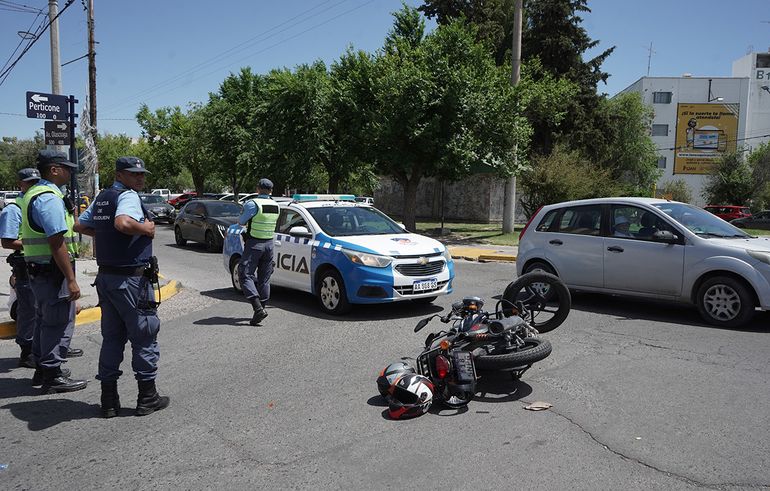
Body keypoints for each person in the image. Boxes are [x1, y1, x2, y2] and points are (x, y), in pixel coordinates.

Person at [75, 156, 169, 418]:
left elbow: (80, 225)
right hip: (131, 280)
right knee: (144, 335)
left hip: (107, 279)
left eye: (142, 174)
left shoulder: (103, 197)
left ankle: (109, 401)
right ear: (120, 175)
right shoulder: (127, 196)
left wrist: (108, 235)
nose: (140, 178)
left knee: (112, 338)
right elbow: (122, 223)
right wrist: (146, 229)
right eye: (134, 174)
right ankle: (147, 397)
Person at [19, 150, 87, 393]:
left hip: (40, 270)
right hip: (52, 272)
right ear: (54, 170)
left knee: (43, 321)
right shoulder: (48, 197)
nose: (70, 172)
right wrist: (71, 279)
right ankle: (52, 374)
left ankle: (42, 369)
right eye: (67, 168)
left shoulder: (33, 193)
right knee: (58, 323)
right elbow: (56, 241)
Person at [1, 168, 41, 369]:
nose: (33, 185)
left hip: (41, 263)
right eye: (29, 182)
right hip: (25, 265)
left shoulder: (35, 205)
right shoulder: (14, 209)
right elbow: (7, 242)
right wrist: (34, 243)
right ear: (20, 185)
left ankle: (46, 346)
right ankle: (27, 351)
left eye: (36, 182)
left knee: (43, 307)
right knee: (30, 309)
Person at [238, 178, 279, 326]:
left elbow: (241, 221)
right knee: (264, 278)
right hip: (269, 244)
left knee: (244, 274)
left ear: (257, 189)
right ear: (271, 191)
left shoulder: (252, 203)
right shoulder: (276, 205)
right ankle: (261, 309)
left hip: (254, 243)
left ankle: (257, 308)